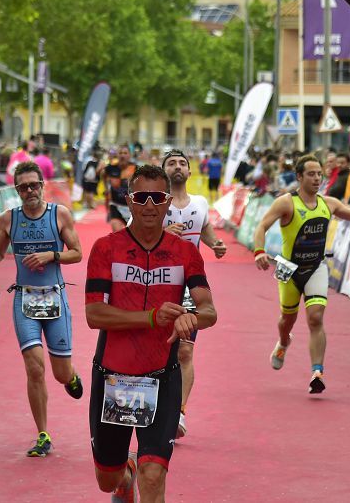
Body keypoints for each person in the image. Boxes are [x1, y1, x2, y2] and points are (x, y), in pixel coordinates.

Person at [85, 164, 217, 503]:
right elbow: (94, 315)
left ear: (167, 202)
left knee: (154, 473)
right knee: (106, 477)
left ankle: (138, 475)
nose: (148, 205)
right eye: (141, 197)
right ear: (129, 201)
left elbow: (208, 311)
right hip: (113, 378)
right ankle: (123, 479)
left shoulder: (185, 253)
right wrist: (153, 317)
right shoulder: (105, 248)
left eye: (156, 198)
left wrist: (190, 318)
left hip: (161, 377)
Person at [253, 153, 350, 394]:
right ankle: (284, 341)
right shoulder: (286, 202)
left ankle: (317, 371)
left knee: (315, 318)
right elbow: (262, 226)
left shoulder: (329, 203)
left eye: (319, 174)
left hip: (316, 267)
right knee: (287, 320)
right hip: (290, 270)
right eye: (311, 174)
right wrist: (259, 251)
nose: (317, 178)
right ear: (299, 176)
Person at [0, 160, 85, 458]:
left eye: (34, 185)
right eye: (23, 187)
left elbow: (77, 253)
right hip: (24, 299)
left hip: (54, 296)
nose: (30, 191)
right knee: (34, 368)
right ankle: (43, 434)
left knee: (60, 373)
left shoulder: (59, 214)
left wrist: (50, 255)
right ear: (17, 190)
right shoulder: (9, 219)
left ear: (43, 185)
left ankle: (71, 377)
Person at [160, 150, 227, 440]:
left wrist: (215, 244)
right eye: (171, 164)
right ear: (163, 172)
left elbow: (206, 229)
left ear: (190, 171)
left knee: (185, 350)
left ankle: (180, 413)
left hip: (190, 287)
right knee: (161, 352)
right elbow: (130, 236)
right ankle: (157, 409)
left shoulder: (200, 203)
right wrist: (162, 233)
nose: (178, 167)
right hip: (158, 285)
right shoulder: (152, 203)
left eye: (182, 164)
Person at [102, 145, 137, 231]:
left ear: (129, 155)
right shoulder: (110, 168)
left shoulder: (136, 168)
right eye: (120, 153)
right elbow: (103, 174)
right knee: (117, 232)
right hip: (115, 205)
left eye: (125, 153)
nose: (122, 155)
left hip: (132, 207)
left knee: (132, 236)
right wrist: (106, 188)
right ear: (117, 155)